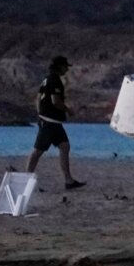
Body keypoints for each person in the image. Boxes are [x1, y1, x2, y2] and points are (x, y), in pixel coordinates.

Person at [26, 55, 84, 190]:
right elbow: (55, 101)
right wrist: (68, 110)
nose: (67, 70)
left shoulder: (46, 80)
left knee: (64, 146)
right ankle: (27, 177)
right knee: (38, 150)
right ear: (59, 66)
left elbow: (38, 98)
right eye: (65, 67)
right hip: (50, 122)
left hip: (52, 121)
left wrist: (40, 113)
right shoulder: (55, 80)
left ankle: (68, 181)